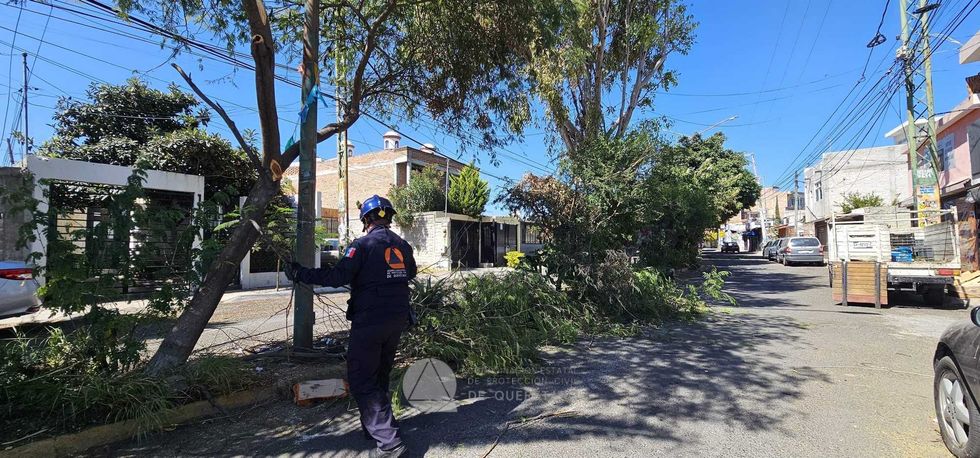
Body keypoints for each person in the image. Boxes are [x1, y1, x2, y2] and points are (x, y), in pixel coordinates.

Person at [286, 195, 416, 458]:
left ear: (366, 219)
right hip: (396, 319)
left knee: (361, 379)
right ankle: (376, 427)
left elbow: (338, 276)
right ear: (388, 218)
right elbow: (410, 272)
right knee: (378, 374)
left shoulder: (362, 245)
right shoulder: (402, 245)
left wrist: (301, 273)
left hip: (370, 320)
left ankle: (390, 444)